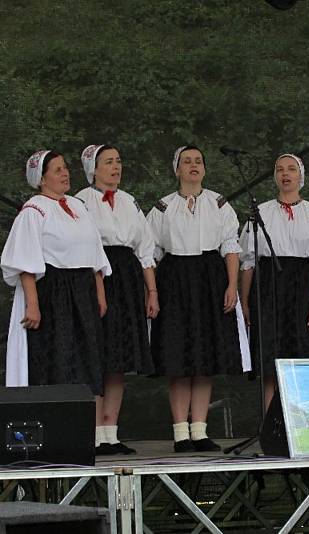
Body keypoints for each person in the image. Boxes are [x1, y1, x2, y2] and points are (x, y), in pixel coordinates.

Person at [147, 146, 251, 452]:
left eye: (198, 161)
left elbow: (231, 246)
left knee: (204, 358)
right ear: (177, 169)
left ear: (204, 169)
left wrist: (231, 284)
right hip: (174, 280)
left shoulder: (219, 203)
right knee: (179, 359)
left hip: (210, 280)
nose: (193, 166)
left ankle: (200, 430)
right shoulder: (162, 208)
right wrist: (152, 291)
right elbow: (149, 253)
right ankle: (180, 432)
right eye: (187, 161)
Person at [1, 150, 111, 405]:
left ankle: (85, 434)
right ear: (42, 179)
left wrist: (99, 294)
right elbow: (25, 260)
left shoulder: (77, 206)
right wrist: (33, 304)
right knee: (60, 359)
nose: (65, 173)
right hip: (54, 291)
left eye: (65, 168)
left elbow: (95, 254)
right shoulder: (34, 210)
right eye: (57, 170)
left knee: (86, 359)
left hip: (82, 290)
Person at [75, 144, 158, 455]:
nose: (115, 167)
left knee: (119, 359)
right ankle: (93, 433)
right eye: (108, 162)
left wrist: (152, 291)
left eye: (118, 161)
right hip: (97, 275)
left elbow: (145, 248)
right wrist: (97, 284)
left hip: (126, 276)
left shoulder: (129, 201)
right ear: (93, 169)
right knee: (97, 355)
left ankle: (111, 433)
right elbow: (84, 245)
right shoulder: (81, 201)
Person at [239, 154, 309, 410]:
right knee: (270, 358)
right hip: (269, 288)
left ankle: (300, 420)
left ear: (300, 176)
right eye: (280, 169)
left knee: (301, 355)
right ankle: (271, 423)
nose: (286, 174)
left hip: (302, 288)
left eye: (291, 169)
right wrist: (245, 301)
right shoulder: (260, 212)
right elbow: (248, 261)